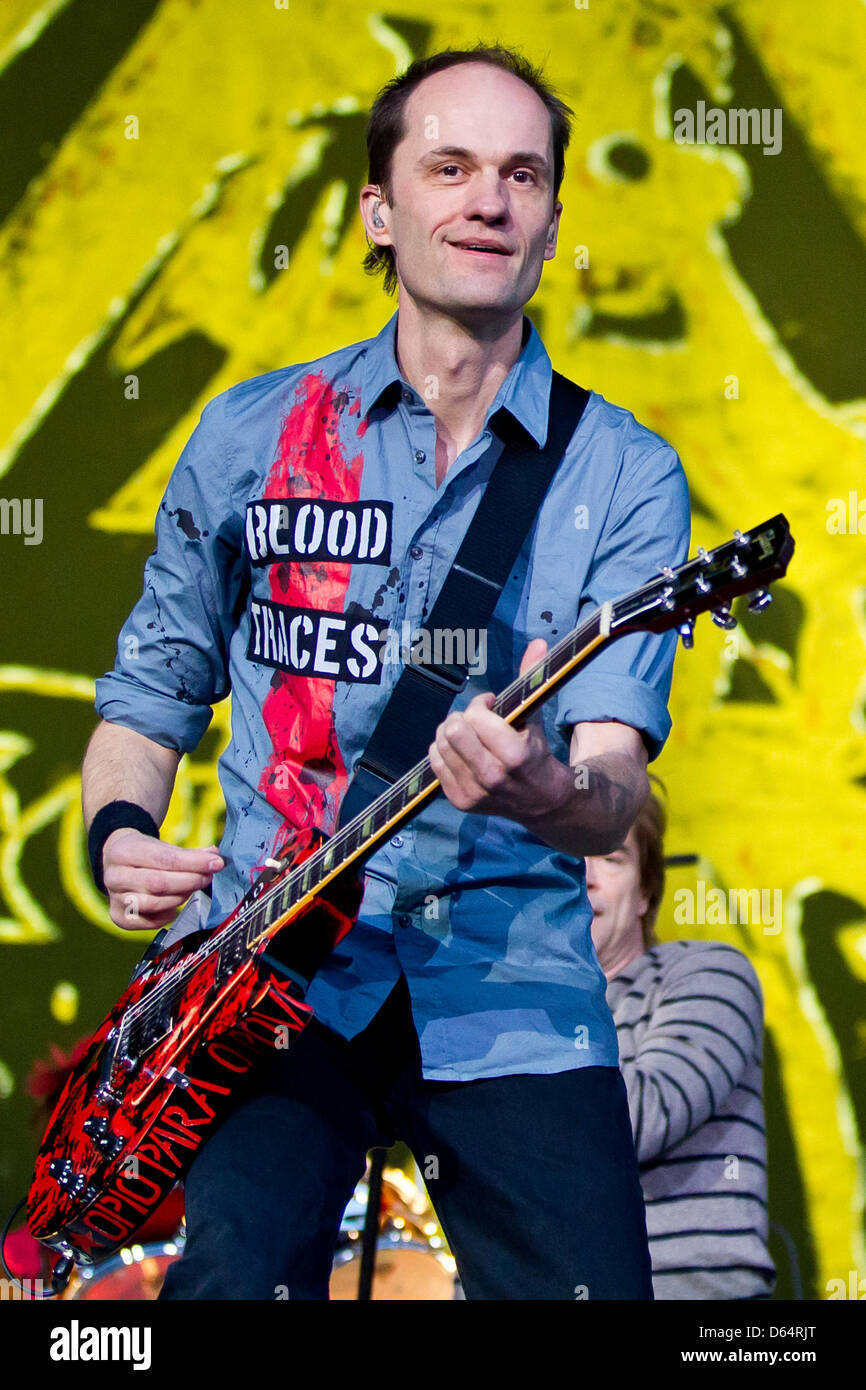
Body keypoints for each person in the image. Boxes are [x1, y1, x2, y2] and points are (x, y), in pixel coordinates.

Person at [83, 43, 691, 1300]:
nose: (488, 199)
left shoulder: (624, 473)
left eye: (521, 174)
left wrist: (543, 792)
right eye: (450, 165)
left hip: (507, 969)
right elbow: (148, 699)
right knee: (230, 1280)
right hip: (271, 975)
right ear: (379, 209)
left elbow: (613, 789)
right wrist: (116, 830)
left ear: (551, 219)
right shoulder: (251, 436)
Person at [586, 787, 777, 1300]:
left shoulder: (706, 971)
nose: (583, 876)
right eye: (564, 858)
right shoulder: (523, 1012)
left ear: (645, 891)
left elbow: (636, 1119)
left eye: (609, 856)